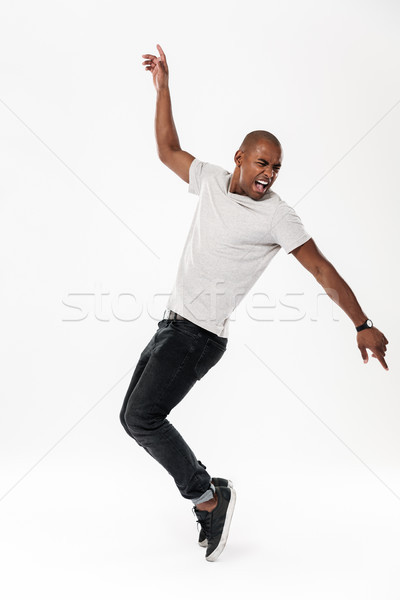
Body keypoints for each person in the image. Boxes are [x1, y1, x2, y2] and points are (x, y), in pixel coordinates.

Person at [120, 44, 389, 562]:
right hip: (171, 323)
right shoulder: (213, 181)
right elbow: (167, 149)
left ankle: (207, 497)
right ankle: (207, 490)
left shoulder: (278, 217)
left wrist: (362, 322)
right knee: (132, 417)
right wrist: (163, 87)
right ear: (241, 158)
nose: (269, 174)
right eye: (262, 162)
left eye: (278, 168)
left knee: (143, 419)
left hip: (198, 337)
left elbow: (321, 269)